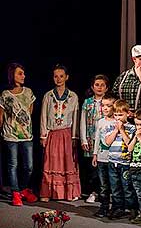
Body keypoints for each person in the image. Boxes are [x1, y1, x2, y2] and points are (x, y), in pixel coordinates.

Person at [40, 64, 81, 202]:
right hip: (53, 133)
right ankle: (49, 192)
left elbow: (76, 117)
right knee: (51, 161)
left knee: (68, 161)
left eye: (61, 76)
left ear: (67, 77)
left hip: (67, 133)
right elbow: (44, 116)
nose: (58, 79)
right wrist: (43, 135)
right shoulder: (48, 95)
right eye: (56, 76)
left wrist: (75, 136)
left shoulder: (73, 96)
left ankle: (69, 192)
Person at [0, 63, 37, 206]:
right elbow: (1, 115)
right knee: (13, 165)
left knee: (29, 166)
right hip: (10, 135)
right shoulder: (5, 94)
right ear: (12, 75)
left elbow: (29, 111)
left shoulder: (28, 92)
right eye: (20, 73)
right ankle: (15, 192)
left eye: (23, 73)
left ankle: (23, 189)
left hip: (26, 135)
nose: (23, 76)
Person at [104, 99, 137, 220]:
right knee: (115, 187)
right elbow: (107, 142)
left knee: (127, 187)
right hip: (113, 162)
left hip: (125, 163)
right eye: (116, 115)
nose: (118, 117)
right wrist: (116, 130)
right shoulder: (110, 127)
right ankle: (118, 208)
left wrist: (122, 130)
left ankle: (131, 208)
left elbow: (129, 144)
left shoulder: (132, 128)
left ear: (128, 114)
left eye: (120, 114)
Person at [80, 74, 109, 203]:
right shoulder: (88, 102)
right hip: (90, 139)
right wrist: (83, 140)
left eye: (102, 85)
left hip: (105, 140)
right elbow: (82, 121)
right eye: (97, 85)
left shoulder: (108, 103)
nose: (99, 87)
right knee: (92, 168)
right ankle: (93, 192)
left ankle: (105, 193)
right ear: (92, 87)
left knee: (104, 168)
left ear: (106, 88)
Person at [92, 93, 116, 218]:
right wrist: (95, 154)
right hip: (102, 158)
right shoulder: (100, 122)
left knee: (115, 185)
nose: (105, 108)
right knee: (103, 185)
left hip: (114, 158)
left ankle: (116, 208)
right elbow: (97, 138)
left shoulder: (117, 122)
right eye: (103, 105)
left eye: (108, 106)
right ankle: (104, 207)